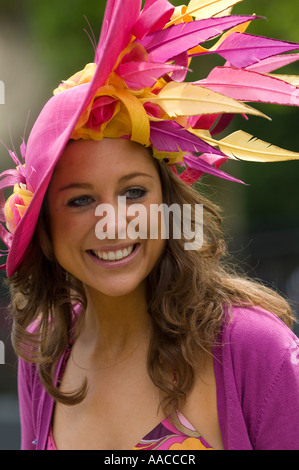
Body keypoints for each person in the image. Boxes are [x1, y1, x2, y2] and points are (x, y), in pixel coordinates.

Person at [1, 0, 299, 450]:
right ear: (43, 227)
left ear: (167, 204)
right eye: (80, 200)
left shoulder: (253, 348)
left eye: (134, 192)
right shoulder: (43, 350)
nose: (113, 223)